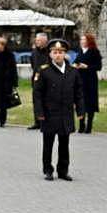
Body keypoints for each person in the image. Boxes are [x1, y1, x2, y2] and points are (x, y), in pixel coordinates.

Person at [32, 38, 83, 181]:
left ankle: (63, 170)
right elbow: (37, 94)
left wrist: (80, 110)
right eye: (55, 52)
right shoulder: (44, 71)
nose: (58, 55)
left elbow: (78, 93)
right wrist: (39, 113)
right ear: (50, 54)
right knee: (48, 144)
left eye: (61, 52)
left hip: (65, 114)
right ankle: (48, 169)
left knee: (64, 144)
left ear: (65, 54)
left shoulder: (72, 71)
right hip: (49, 114)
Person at [73, 33, 102, 133]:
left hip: (90, 81)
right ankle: (81, 125)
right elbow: (76, 62)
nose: (82, 41)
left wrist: (87, 67)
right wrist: (75, 65)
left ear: (89, 41)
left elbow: (98, 66)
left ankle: (89, 126)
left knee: (90, 103)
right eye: (81, 40)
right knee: (80, 102)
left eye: (84, 40)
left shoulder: (94, 51)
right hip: (80, 80)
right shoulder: (80, 51)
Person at [26, 32, 50, 130]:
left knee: (46, 102)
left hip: (47, 80)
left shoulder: (50, 51)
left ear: (45, 41)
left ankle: (46, 122)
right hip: (36, 80)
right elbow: (33, 65)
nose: (37, 41)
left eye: (39, 40)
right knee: (36, 102)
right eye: (36, 40)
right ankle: (37, 122)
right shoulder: (34, 51)